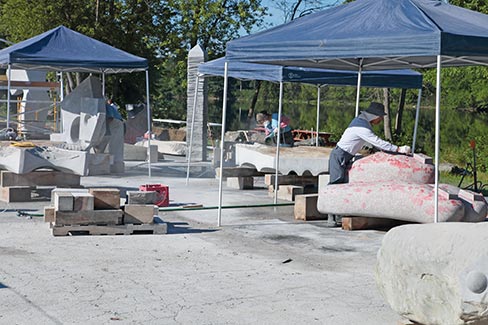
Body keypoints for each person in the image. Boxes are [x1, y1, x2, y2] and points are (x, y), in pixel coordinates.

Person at [326, 102, 411, 226]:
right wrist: (398, 149)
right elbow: (377, 142)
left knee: (343, 185)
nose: (381, 120)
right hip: (340, 156)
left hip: (346, 156)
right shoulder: (361, 126)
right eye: (380, 117)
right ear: (374, 116)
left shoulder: (362, 122)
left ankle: (338, 216)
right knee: (336, 184)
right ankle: (330, 216)